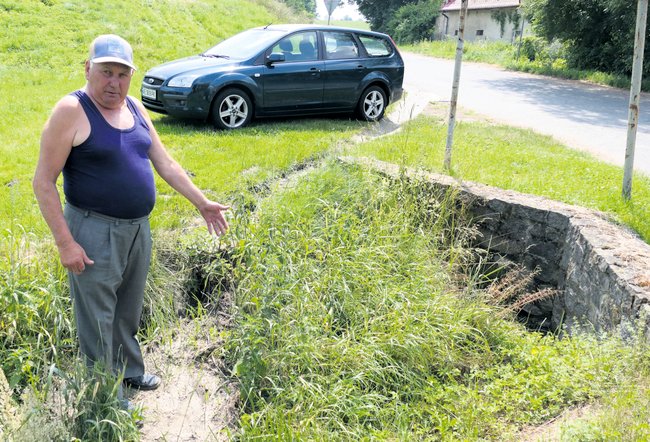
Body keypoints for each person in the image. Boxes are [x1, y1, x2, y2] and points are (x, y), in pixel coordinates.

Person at [33, 34, 229, 396]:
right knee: (97, 317)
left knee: (127, 308)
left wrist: (202, 203)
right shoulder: (71, 111)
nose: (114, 82)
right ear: (88, 68)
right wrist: (65, 243)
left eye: (122, 75)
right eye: (106, 72)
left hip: (138, 229)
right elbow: (43, 181)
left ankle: (129, 372)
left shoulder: (135, 108)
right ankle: (104, 395)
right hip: (93, 230)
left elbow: (166, 164)